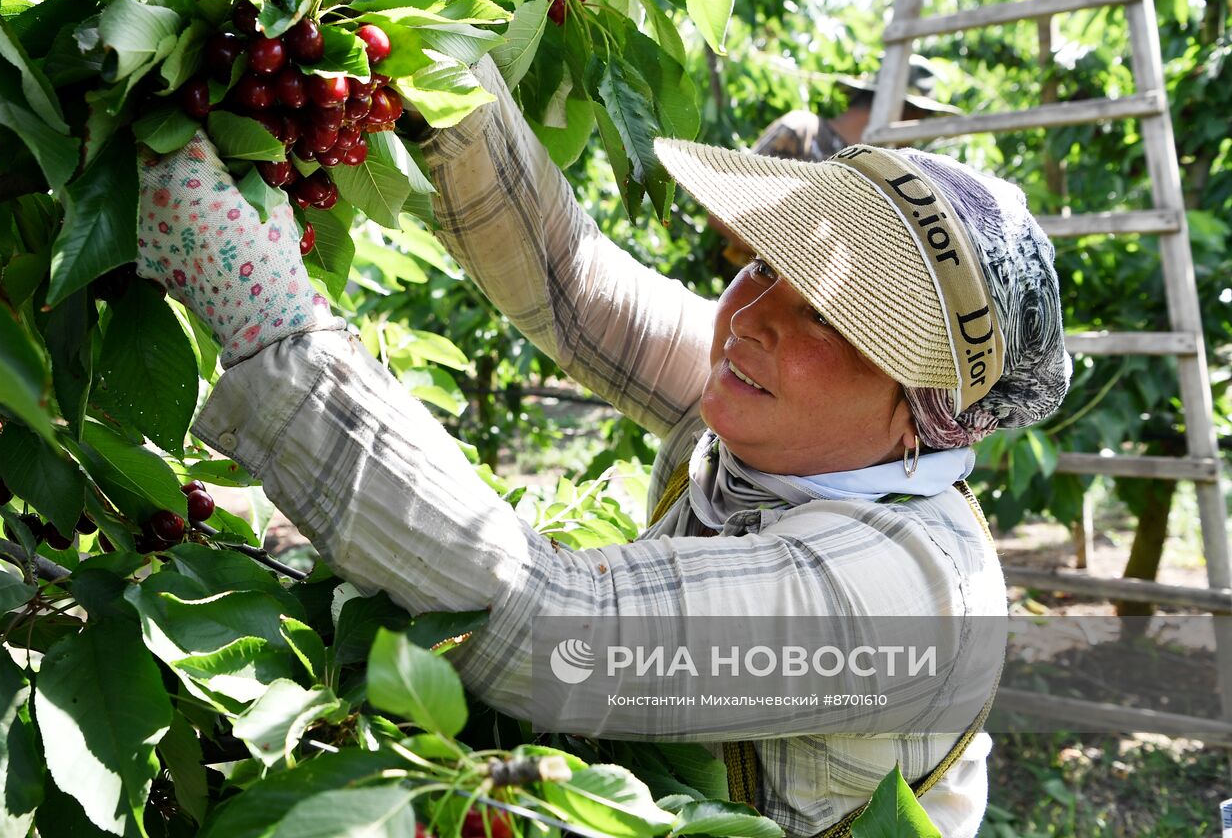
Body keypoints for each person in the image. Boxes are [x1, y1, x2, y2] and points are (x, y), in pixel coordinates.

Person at [135, 57, 1070, 836]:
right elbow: (579, 293)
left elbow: (559, 630)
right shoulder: (779, 421)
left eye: (828, 316)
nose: (750, 320)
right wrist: (446, 97)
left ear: (925, 411)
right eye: (763, 267)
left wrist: (274, 328)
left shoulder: (910, 598)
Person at [710, 60, 961, 267]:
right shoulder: (804, 133)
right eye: (921, 118)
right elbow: (721, 212)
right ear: (905, 113)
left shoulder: (879, 177)